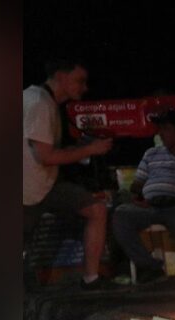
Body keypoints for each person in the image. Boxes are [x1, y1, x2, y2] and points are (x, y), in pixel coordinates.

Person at [23, 58, 116, 291]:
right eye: (79, 81)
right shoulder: (39, 103)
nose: (84, 88)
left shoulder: (48, 103)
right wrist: (90, 149)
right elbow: (46, 156)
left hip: (46, 184)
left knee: (96, 209)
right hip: (24, 189)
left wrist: (82, 148)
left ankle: (91, 278)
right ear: (61, 76)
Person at [110, 110, 175, 284]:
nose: (161, 133)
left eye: (166, 129)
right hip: (150, 205)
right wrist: (141, 193)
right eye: (160, 129)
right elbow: (137, 185)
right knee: (120, 215)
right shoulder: (151, 154)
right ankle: (150, 266)